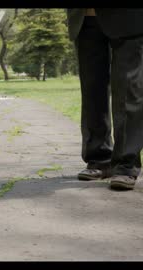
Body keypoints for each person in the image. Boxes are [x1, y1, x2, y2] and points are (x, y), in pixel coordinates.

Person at [67, 9, 143, 190]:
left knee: (127, 90)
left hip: (129, 17)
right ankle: (98, 158)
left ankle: (126, 164)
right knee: (92, 89)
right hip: (85, 17)